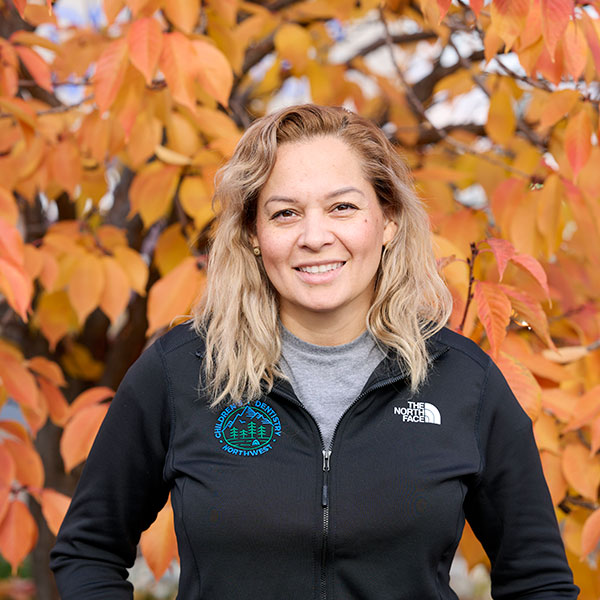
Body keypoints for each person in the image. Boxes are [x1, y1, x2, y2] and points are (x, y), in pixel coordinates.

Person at [50, 104, 578, 599]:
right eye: (284, 214)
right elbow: (88, 550)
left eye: (343, 207)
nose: (315, 236)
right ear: (254, 233)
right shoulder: (183, 370)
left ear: (388, 219)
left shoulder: (465, 381)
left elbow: (539, 580)